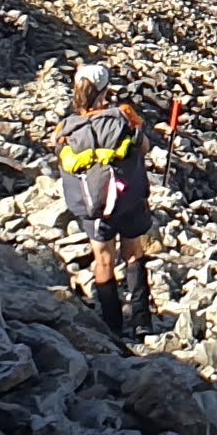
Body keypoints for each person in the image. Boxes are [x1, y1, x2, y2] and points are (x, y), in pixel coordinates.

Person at [52, 61, 162, 335]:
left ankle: (113, 326)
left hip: (94, 205)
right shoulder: (124, 115)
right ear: (104, 91)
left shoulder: (66, 129)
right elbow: (144, 147)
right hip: (128, 198)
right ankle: (141, 321)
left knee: (103, 259)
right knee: (133, 252)